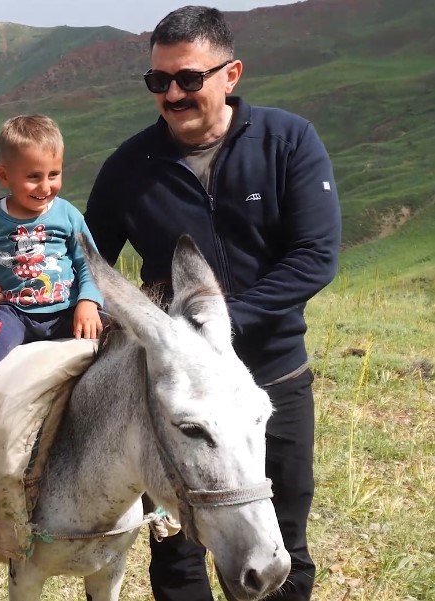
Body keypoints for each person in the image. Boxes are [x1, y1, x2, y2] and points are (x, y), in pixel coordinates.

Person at [82, 6, 341, 600]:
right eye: (159, 81)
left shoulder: (288, 141)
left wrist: (215, 327)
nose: (172, 93)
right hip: (174, 396)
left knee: (278, 543)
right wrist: (26, 293)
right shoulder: (129, 167)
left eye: (189, 79)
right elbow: (87, 260)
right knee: (175, 556)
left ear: (231, 74)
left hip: (273, 376)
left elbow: (315, 256)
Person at [0, 114, 103, 424]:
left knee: (119, 330)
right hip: (12, 313)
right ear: (4, 175)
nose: (45, 186)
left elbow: (89, 263)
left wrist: (88, 302)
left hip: (66, 309)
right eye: (33, 177)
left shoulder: (68, 215)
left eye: (53, 174)